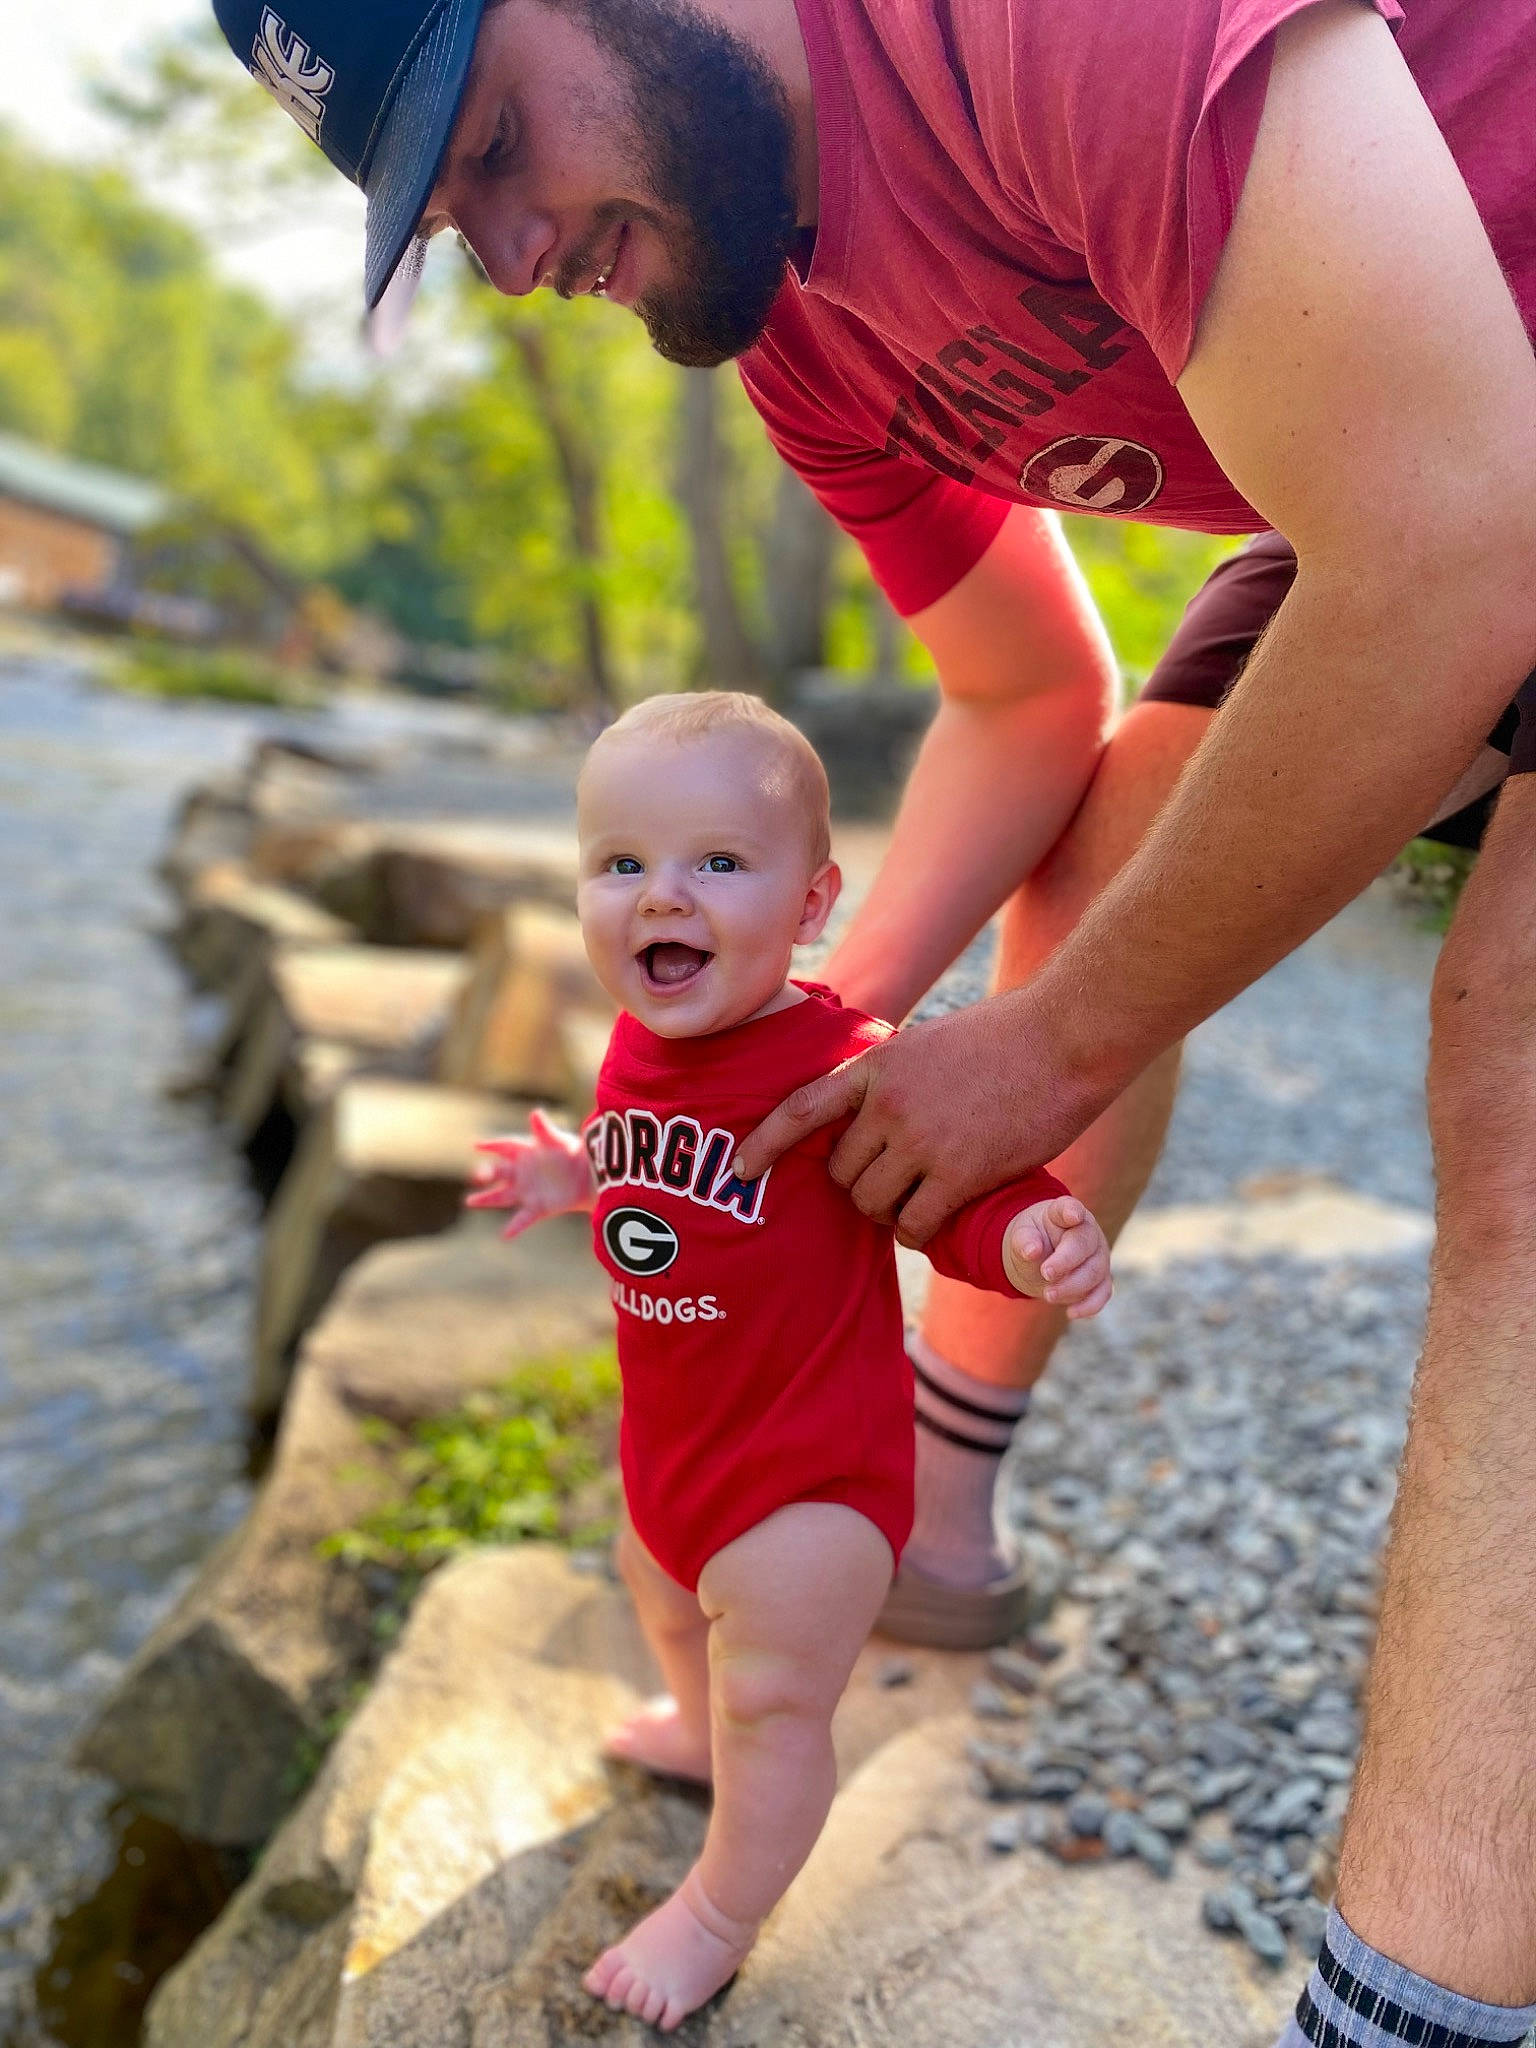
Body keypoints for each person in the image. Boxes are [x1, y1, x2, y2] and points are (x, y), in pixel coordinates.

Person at [211, 0, 1535, 2036]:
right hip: (1425, 441)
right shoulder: (792, 321)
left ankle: (1415, 2007)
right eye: (436, 219)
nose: (507, 251)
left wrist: (1047, 1052)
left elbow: (1457, 535)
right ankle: (939, 1499)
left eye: (484, 147)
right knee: (1117, 860)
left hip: (1468, 454)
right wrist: (804, 1050)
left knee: (1507, 1072)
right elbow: (1027, 700)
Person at [466, 691, 1111, 2029]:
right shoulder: (642, 1041)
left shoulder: (846, 1065)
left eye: (716, 861)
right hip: (672, 1449)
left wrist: (1028, 1227)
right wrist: (571, 1171)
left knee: (777, 1696)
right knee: (660, 1601)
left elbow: (947, 1192)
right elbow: (660, 1171)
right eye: (621, 863)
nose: (661, 896)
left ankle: (718, 1909)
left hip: (809, 1478)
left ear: (813, 902)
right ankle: (695, 1734)